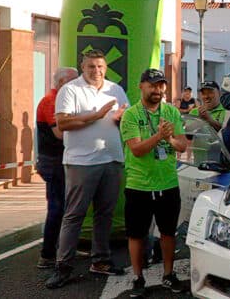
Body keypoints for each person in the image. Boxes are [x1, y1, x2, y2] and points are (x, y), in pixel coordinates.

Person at [46, 49, 128, 289]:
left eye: (100, 66)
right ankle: (63, 267)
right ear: (83, 67)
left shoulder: (115, 89)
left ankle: (100, 260)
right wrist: (96, 115)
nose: (96, 71)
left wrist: (120, 118)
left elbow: (124, 118)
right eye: (91, 66)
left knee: (105, 214)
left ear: (106, 67)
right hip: (81, 162)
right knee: (74, 215)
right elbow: (63, 123)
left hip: (112, 159)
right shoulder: (70, 89)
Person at [120, 68, 189, 297]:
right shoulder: (131, 115)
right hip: (139, 185)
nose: (157, 90)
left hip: (167, 183)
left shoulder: (171, 112)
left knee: (168, 232)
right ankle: (138, 278)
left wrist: (169, 138)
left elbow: (182, 145)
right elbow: (136, 149)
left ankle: (168, 274)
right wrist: (159, 136)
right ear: (141, 86)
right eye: (152, 85)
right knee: (136, 234)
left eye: (161, 85)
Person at [35, 67, 79, 268]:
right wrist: (88, 121)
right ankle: (47, 254)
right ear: (62, 82)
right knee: (57, 207)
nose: (78, 84)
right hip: (53, 162)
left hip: (59, 161)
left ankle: (61, 248)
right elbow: (60, 134)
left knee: (64, 206)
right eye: (74, 80)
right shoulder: (51, 101)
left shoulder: (59, 99)